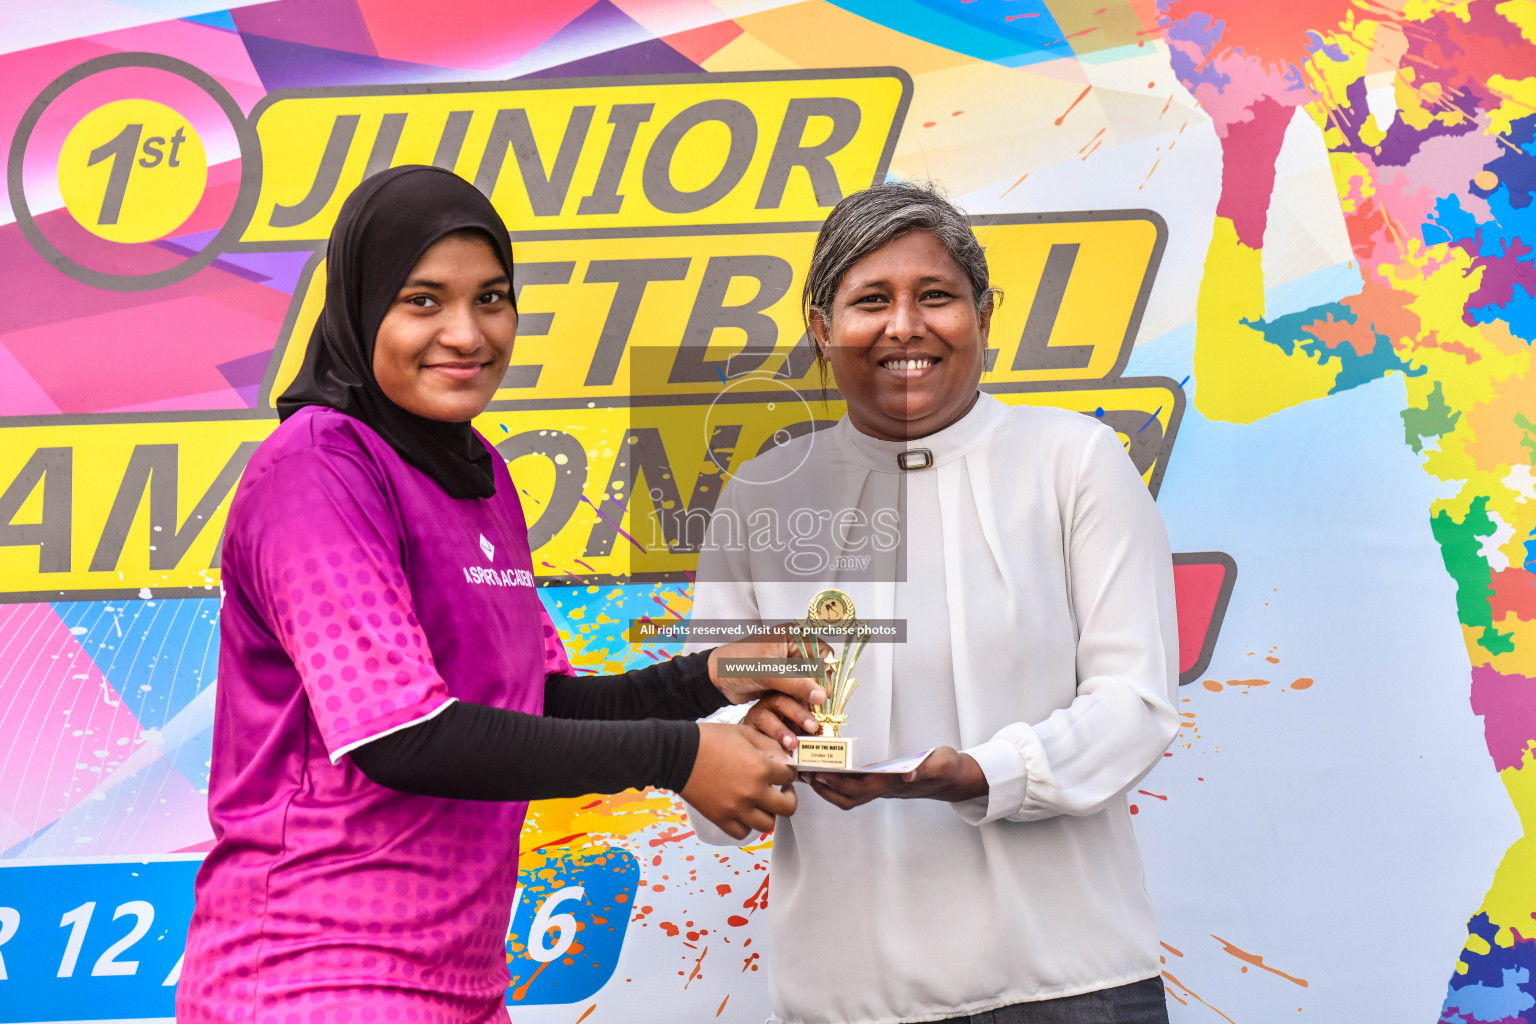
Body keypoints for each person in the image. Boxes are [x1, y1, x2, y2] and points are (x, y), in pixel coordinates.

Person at [178, 165, 822, 1024]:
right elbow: (404, 738)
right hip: (313, 973)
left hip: (460, 985)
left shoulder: (482, 475)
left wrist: (710, 676)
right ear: (362, 307)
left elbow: (535, 704)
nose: (466, 333)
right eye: (422, 300)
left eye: (492, 298)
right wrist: (681, 757)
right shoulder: (318, 468)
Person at [686, 181, 1180, 1024]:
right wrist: (751, 746)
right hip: (847, 998)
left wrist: (985, 772)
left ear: (985, 316)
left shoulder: (1073, 461)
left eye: (937, 296)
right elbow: (717, 722)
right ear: (820, 327)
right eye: (870, 300)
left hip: (1067, 984)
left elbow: (1135, 705)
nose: (905, 326)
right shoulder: (764, 497)